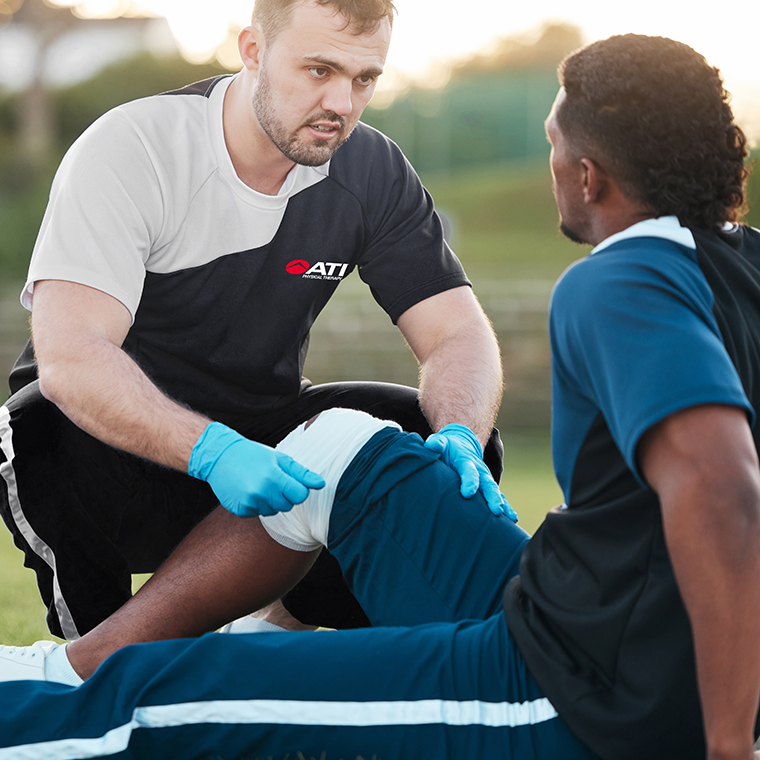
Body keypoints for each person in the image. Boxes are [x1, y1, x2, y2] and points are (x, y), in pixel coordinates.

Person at [2, 31, 760, 760]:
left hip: (578, 689)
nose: (551, 159)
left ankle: (68, 691)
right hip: (582, 617)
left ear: (590, 176)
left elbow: (721, 487)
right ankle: (93, 659)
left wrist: (729, 742)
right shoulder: (744, 265)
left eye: (553, 141)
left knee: (167, 697)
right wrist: (453, 435)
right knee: (349, 441)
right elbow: (72, 357)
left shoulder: (618, 280)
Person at [0, 0, 510, 642]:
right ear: (251, 50)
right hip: (119, 457)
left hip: (264, 448)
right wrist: (213, 451)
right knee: (37, 423)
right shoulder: (134, 147)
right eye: (319, 69)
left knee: (429, 436)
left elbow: (456, 333)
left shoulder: (371, 170)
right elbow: (70, 357)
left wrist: (460, 434)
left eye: (364, 78)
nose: (342, 103)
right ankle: (98, 660)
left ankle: (272, 631)